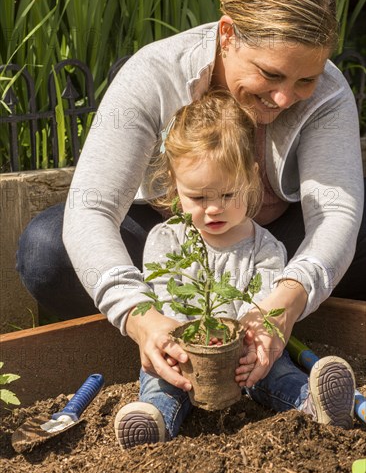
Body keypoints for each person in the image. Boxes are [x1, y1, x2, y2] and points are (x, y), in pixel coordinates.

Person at [16, 0, 364, 415]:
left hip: (269, 250)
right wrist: (140, 314)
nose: (285, 97)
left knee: (354, 234)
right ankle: (160, 341)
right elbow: (92, 208)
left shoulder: (329, 92)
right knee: (46, 250)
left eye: (306, 79)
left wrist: (285, 301)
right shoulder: (153, 74)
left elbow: (335, 213)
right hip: (168, 252)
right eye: (270, 73)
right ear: (227, 35)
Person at [113, 91, 356, 449]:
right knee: (159, 381)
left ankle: (312, 401)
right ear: (175, 184)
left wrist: (247, 346)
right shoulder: (166, 241)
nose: (213, 210)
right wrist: (184, 343)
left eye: (227, 195)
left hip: (243, 356)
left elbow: (265, 305)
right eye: (198, 197)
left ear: (252, 179)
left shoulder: (267, 247)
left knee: (276, 370)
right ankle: (154, 422)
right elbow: (163, 294)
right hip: (185, 357)